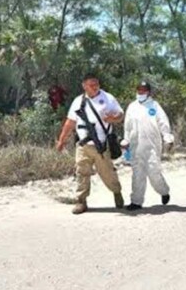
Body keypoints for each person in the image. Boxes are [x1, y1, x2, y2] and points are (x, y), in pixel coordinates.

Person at [56, 73, 124, 214]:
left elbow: (121, 115)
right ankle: (81, 201)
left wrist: (113, 118)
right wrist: (62, 140)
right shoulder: (78, 101)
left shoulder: (107, 98)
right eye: (91, 85)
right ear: (84, 86)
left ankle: (117, 193)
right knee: (81, 172)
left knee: (108, 173)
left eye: (97, 84)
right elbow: (70, 122)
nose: (95, 87)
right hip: (83, 145)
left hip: (102, 145)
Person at [121, 81, 174, 211]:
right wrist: (126, 140)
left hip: (151, 145)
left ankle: (163, 191)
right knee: (137, 174)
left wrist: (167, 137)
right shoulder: (132, 106)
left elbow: (163, 123)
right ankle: (136, 202)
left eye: (144, 90)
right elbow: (127, 126)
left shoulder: (154, 106)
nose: (141, 92)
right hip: (135, 145)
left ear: (149, 92)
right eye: (139, 90)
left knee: (153, 172)